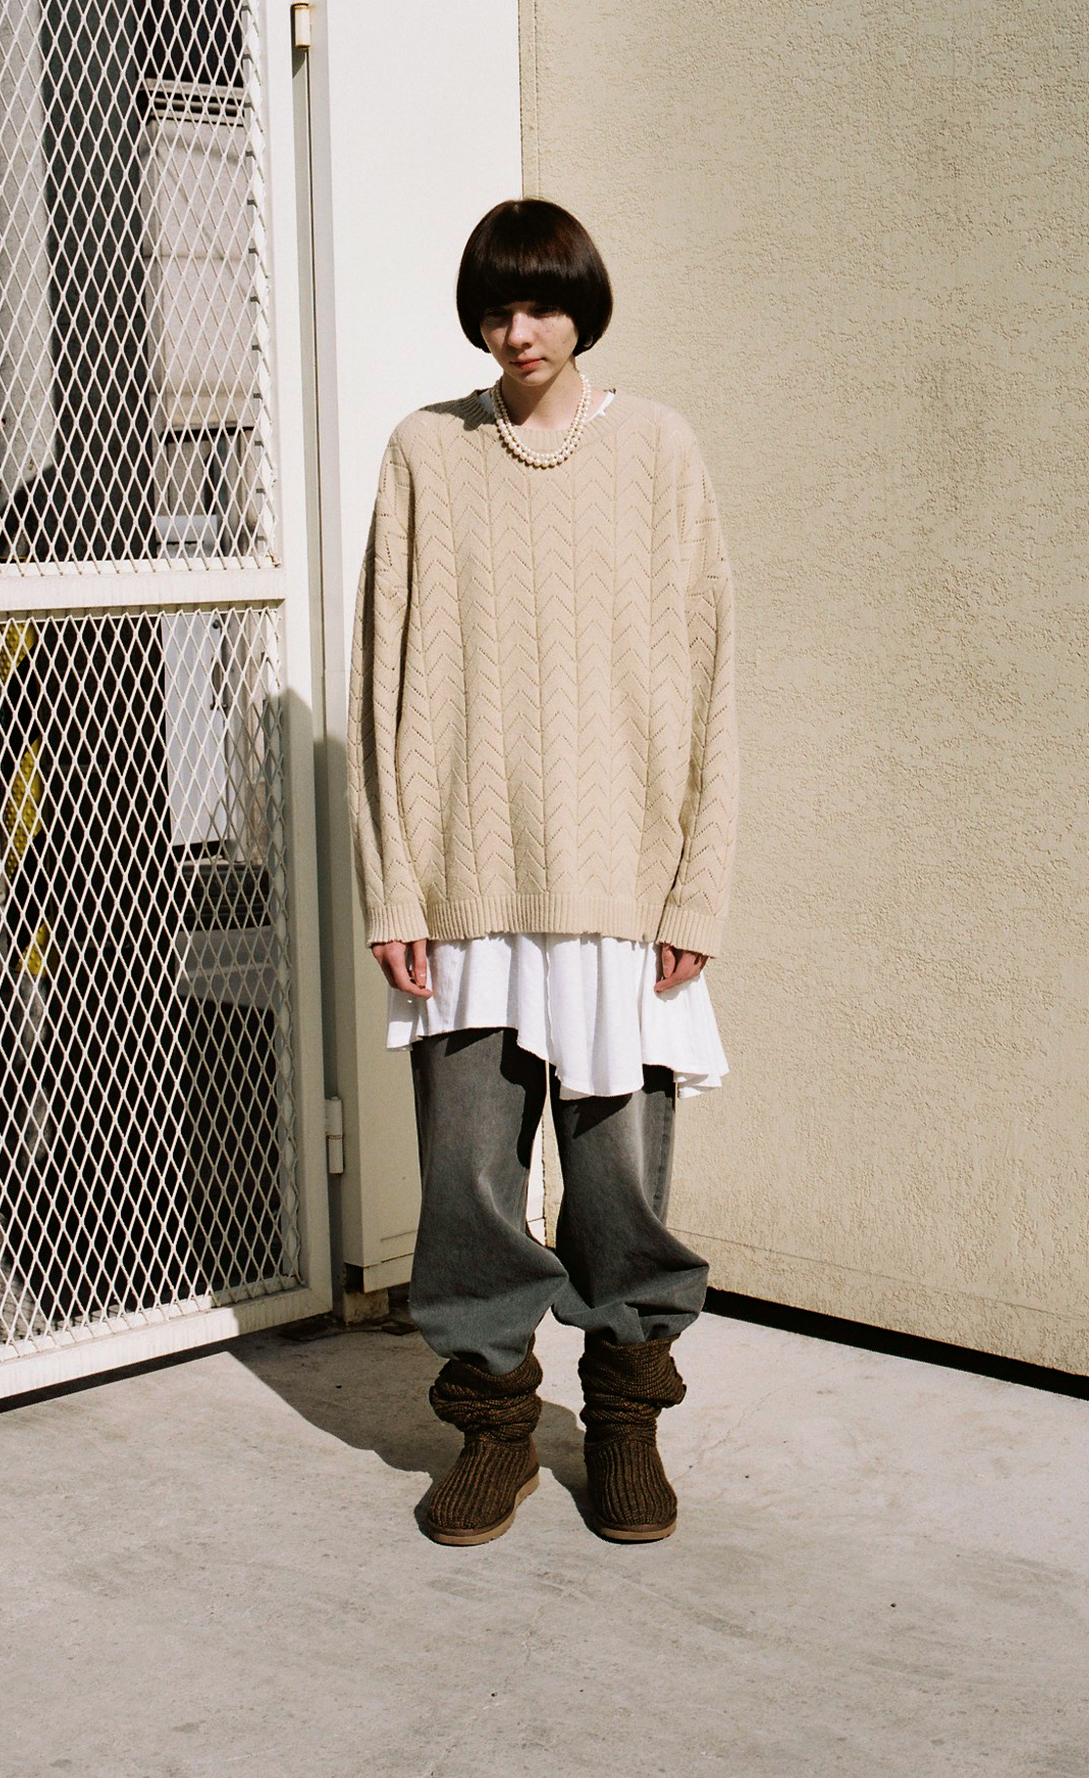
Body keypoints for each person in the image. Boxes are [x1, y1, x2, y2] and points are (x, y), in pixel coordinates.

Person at [348, 199, 737, 1546]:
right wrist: (394, 887)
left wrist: (694, 891)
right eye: (497, 307)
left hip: (621, 888)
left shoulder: (659, 450)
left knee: (619, 1189)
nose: (518, 332)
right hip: (465, 892)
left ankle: (623, 1426)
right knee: (466, 1187)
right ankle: (493, 1434)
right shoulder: (425, 451)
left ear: (582, 308)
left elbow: (710, 677)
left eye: (542, 304)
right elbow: (383, 679)